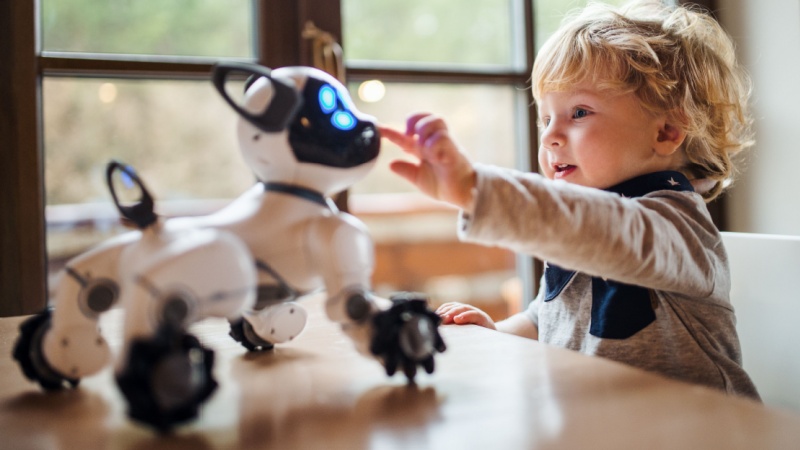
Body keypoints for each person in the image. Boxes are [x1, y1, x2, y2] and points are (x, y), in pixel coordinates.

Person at [378, 0, 760, 399]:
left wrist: (476, 189)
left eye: (579, 112)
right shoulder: (585, 225)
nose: (549, 136)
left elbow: (607, 231)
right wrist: (496, 331)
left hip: (704, 426)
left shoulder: (679, 227)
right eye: (546, 118)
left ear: (666, 132)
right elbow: (545, 319)